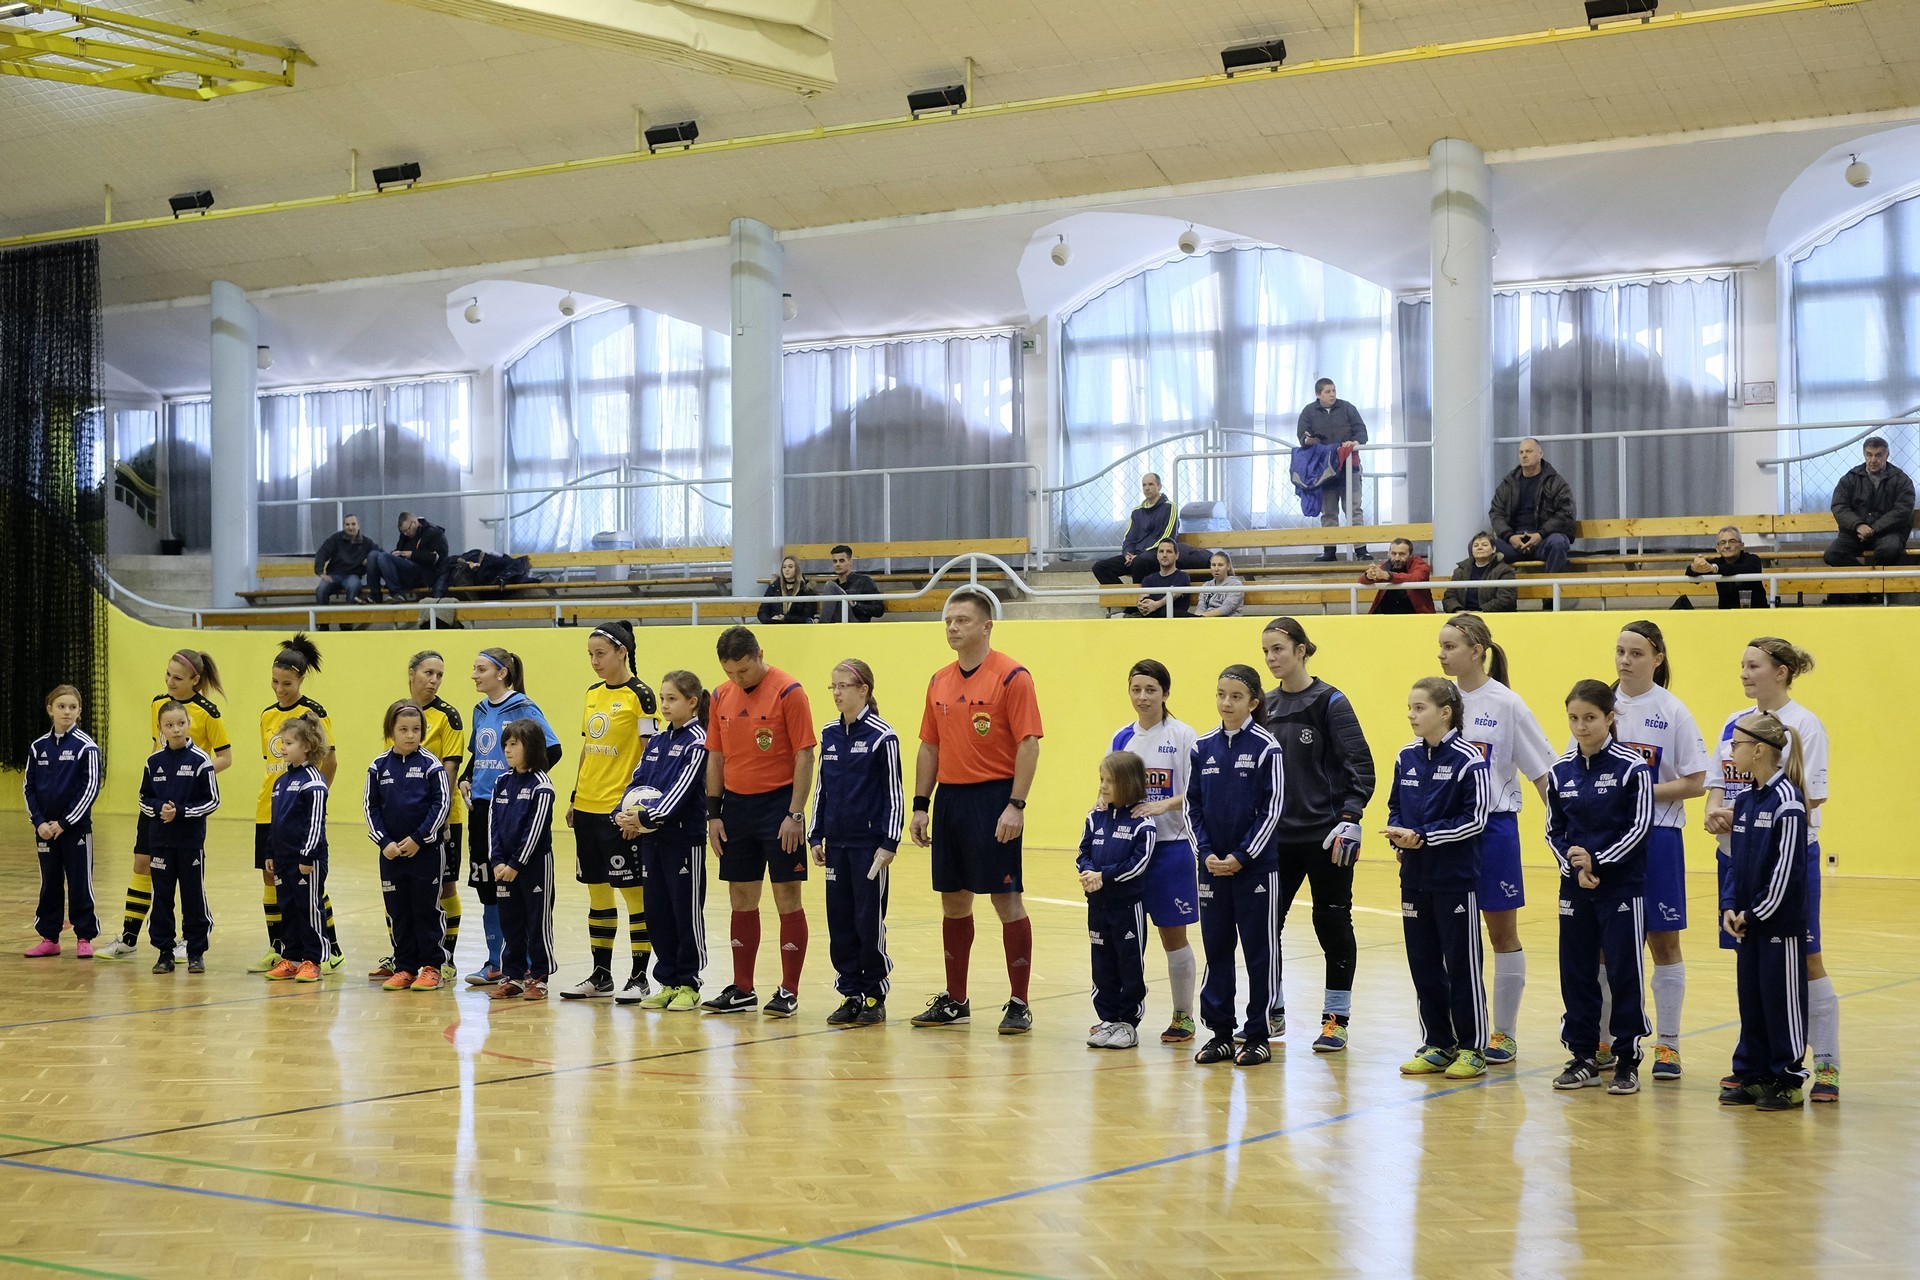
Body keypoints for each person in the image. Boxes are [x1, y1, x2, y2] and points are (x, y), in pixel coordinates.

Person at [1704, 637, 1838, 1101]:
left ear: (1781, 672)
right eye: (1741, 664)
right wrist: (1718, 813)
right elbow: (1718, 784)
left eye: (1753, 665)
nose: (1743, 673)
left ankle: (1825, 1065)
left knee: (1806, 959)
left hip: (1784, 862)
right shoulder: (1734, 722)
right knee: (1753, 965)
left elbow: (1811, 795)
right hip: (1738, 858)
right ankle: (1756, 1066)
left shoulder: (1805, 725)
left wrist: (1752, 814)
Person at [908, 586, 1044, 1035]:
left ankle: (1019, 1002)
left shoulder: (1012, 676)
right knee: (953, 900)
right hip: (951, 800)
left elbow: (1028, 744)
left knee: (1006, 899)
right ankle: (956, 1000)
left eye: (962, 620)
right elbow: (929, 746)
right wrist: (921, 805)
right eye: (948, 620)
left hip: (994, 799)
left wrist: (1015, 805)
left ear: (986, 626)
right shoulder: (938, 680)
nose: (952, 627)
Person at [1435, 614, 1555, 1067]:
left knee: (1501, 933)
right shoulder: (1438, 699)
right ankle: (1456, 1032)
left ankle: (1503, 1032)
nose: (1442, 654)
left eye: (1450, 646)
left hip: (1494, 831)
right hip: (1446, 835)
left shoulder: (1506, 704)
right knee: (1450, 937)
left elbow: (1543, 773)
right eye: (1440, 646)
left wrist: (1566, 830)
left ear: (1477, 651)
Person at [1259, 618, 1376, 1051]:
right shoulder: (1264, 705)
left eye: (1278, 649)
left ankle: (1335, 1019)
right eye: (1266, 651)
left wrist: (1351, 816)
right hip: (1276, 841)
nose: (1271, 658)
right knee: (1265, 925)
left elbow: (1360, 766)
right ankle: (1270, 1012)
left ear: (1301, 650)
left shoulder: (1331, 701)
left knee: (1331, 924)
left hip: (1327, 839)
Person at [1606, 622, 1709, 1082]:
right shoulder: (1601, 704)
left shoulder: (1672, 710)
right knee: (1605, 945)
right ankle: (1605, 1040)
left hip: (1659, 837)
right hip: (1607, 841)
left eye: (1636, 653)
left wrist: (1639, 792)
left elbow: (1696, 781)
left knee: (1663, 941)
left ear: (1657, 658)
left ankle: (1668, 1044)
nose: (1625, 660)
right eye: (1620, 651)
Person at [1546, 680, 1654, 1096]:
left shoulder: (1632, 768)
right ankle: (1583, 1057)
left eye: (1590, 718)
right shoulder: (1560, 771)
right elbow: (1554, 831)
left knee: (1625, 971)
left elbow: (1639, 828)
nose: (1581, 726)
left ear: (1609, 718)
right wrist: (1574, 867)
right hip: (1575, 887)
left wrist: (1599, 861)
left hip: (1621, 887)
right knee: (1576, 971)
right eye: (1574, 718)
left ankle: (1627, 1059)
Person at [702, 626, 817, 1017]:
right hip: (737, 808)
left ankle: (788, 989)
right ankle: (743, 988)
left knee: (787, 896)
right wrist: (714, 813)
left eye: (745, 671)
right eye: (730, 672)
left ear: (760, 655)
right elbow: (715, 756)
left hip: (779, 806)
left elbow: (805, 755)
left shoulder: (789, 691)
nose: (738, 679)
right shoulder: (720, 695)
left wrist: (795, 813)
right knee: (740, 896)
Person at [1384, 677, 1493, 1080]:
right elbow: (1395, 807)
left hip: (1454, 879)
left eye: (1419, 708)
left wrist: (1425, 836)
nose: (1411, 715)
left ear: (1445, 713)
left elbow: (1475, 819)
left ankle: (1472, 1048)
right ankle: (1437, 1043)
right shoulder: (1406, 757)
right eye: (1409, 708)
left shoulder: (1469, 759)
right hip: (1414, 878)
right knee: (1423, 963)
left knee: (1462, 965)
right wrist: (1398, 834)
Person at [100, 650, 231, 960]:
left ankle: (192, 937)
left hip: (185, 808)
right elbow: (156, 748)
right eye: (168, 675)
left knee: (187, 875)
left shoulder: (208, 712)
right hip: (157, 803)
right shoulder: (158, 704)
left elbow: (225, 758)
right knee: (141, 862)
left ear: (195, 680)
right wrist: (158, 786)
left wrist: (192, 777)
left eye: (178, 677)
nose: (170, 682)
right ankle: (129, 936)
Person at [1186, 665, 1283, 1067]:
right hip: (1211, 869)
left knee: (1260, 953)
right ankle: (1221, 1034)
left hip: (1255, 871)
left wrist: (1243, 856)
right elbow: (1192, 806)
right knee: (1217, 949)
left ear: (1253, 702)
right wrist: (1206, 853)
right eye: (1221, 695)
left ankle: (1258, 1034)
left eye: (1236, 697)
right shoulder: (1202, 747)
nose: (1226, 703)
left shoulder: (1267, 748)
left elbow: (1272, 809)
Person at [562, 622, 660, 1003]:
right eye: (590, 655)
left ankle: (639, 977)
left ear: (622, 652)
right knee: (598, 894)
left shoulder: (641, 696)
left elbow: (650, 755)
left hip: (619, 812)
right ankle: (600, 976)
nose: (594, 661)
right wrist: (575, 796)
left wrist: (638, 809)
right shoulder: (592, 694)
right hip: (587, 808)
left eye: (600, 653)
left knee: (634, 895)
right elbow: (588, 748)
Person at [1718, 711, 1811, 1111]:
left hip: (1778, 927)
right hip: (1748, 924)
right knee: (1752, 1002)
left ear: (1758, 750)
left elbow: (1786, 872)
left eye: (1736, 745)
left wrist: (1754, 914)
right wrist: (1729, 906)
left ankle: (1787, 1080)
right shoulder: (1744, 801)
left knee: (1780, 1002)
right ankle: (1753, 1076)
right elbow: (1735, 864)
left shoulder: (1788, 802)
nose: (1730, 752)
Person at [1110, 659, 1201, 1043]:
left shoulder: (1182, 736)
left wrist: (1163, 805)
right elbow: (1109, 786)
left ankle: (1183, 1015)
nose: (1143, 697)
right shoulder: (1121, 738)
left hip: (1170, 849)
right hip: (1130, 854)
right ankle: (1122, 1016)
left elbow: (1197, 790)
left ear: (1165, 693)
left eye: (1150, 690)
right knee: (1126, 938)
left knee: (1172, 936)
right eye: (1136, 689)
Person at [808, 658, 902, 1027]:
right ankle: (850, 993)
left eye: (843, 686)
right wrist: (816, 834)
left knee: (868, 921)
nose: (836, 693)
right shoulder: (829, 733)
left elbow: (894, 793)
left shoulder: (883, 736)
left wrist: (889, 842)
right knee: (840, 921)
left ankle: (875, 994)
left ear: (863, 690)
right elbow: (822, 789)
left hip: (869, 848)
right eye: (832, 686)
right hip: (837, 846)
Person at [460, 648, 562, 987]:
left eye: (481, 669)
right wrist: (467, 777)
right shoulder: (479, 710)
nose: (474, 675)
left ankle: (530, 965)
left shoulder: (523, 707)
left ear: (502, 673)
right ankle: (496, 962)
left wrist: (524, 783)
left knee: (522, 890)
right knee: (489, 885)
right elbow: (478, 754)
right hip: (482, 808)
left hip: (513, 806)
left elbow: (552, 748)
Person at [246, 635, 342, 975]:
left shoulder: (312, 713)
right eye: (274, 682)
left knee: (309, 883)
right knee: (274, 880)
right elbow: (271, 765)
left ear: (300, 679)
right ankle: (280, 949)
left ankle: (328, 948)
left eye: (286, 683)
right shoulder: (267, 715)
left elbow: (330, 761)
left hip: (299, 811)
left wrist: (312, 799)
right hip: (271, 809)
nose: (279, 689)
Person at [367, 652, 465, 983]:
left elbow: (442, 796)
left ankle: (435, 964)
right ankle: (404, 964)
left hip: (427, 842)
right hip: (391, 849)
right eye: (403, 729)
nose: (410, 735)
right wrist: (385, 842)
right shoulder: (379, 764)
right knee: (399, 907)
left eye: (415, 730)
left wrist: (421, 837)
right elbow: (372, 806)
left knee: (429, 905)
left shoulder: (433, 760)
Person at [618, 670, 711, 1013]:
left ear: (692, 702)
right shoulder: (656, 741)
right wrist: (622, 813)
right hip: (651, 841)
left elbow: (680, 792)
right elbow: (636, 782)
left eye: (672, 699)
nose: (665, 705)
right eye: (662, 699)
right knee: (657, 912)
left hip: (683, 841)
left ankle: (689, 983)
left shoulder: (699, 742)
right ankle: (668, 982)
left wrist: (644, 818)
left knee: (684, 912)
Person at [1079, 751, 1157, 1051]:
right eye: (1101, 779)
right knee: (1101, 963)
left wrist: (1105, 876)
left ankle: (1127, 1023)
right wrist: (1088, 874)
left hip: (1127, 908)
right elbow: (1083, 852)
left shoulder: (1143, 823)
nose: (1102, 786)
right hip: (1097, 905)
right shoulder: (1094, 817)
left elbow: (1138, 864)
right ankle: (1108, 1019)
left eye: (1109, 781)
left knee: (1129, 963)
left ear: (1128, 783)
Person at [138, 701, 219, 974]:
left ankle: (196, 952)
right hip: (160, 843)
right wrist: (159, 808)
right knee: (162, 897)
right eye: (169, 725)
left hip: (190, 844)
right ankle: (164, 952)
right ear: (160, 728)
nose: (176, 729)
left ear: (188, 724)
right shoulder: (153, 762)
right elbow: (143, 798)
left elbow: (212, 801)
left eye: (181, 723)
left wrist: (181, 812)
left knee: (193, 896)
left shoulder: (201, 760)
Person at [23, 685, 101, 960]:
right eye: (61, 706)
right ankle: (49, 937)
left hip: (75, 830)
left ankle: (84, 936)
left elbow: (90, 788)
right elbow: (29, 788)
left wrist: (65, 822)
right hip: (45, 831)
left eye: (72, 707)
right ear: (50, 710)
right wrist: (39, 822)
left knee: (80, 883)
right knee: (50, 883)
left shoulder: (86, 747)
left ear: (79, 711)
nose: (67, 711)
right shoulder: (38, 747)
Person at [489, 720, 558, 1002]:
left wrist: (516, 864)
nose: (507, 749)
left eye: (514, 744)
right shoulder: (501, 782)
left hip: (534, 867)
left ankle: (539, 977)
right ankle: (513, 977)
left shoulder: (542, 786)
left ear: (531, 746)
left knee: (537, 922)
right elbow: (493, 825)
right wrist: (497, 861)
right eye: (505, 744)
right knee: (510, 922)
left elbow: (535, 829)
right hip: (503, 868)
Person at [263, 715, 331, 984]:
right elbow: (275, 821)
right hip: (283, 858)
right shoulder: (280, 782)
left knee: (308, 908)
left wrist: (307, 856)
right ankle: (291, 958)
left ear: (307, 746)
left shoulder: (313, 781)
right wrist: (270, 852)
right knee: (288, 907)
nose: (282, 748)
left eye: (289, 743)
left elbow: (315, 823)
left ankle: (313, 960)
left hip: (306, 860)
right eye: (282, 742)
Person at [1296, 378, 1369, 560]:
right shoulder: (1308, 412)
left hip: (1349, 467)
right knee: (1328, 511)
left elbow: (1362, 431)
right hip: (1325, 470)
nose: (1332, 394)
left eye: (1334, 390)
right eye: (1328, 391)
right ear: (1318, 394)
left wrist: (1355, 442)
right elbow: (1302, 437)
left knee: (1354, 509)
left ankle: (1361, 551)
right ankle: (1330, 551)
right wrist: (1308, 440)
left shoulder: (1347, 408)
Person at [1489, 438, 1576, 576]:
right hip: (1513, 543)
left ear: (1540, 454)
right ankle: (1493, 590)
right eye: (1521, 452)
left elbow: (1566, 513)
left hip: (1544, 540)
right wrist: (1510, 537)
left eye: (1529, 451)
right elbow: (1496, 512)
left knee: (1558, 542)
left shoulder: (1555, 482)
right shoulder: (1508, 483)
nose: (1524, 455)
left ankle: (1551, 589)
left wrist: (1541, 534)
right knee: (1479, 546)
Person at [1824, 435, 1914, 568]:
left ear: (1887, 455)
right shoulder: (1850, 478)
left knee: (1889, 550)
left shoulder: (1901, 480)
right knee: (1832, 554)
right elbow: (1839, 506)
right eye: (1869, 455)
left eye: (1878, 455)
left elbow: (1902, 510)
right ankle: (1867, 578)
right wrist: (1858, 525)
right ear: (1864, 454)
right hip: (1855, 533)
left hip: (1889, 533)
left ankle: (1871, 579)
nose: (1873, 460)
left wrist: (1873, 529)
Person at [1091, 473, 1178, 589]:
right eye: (1144, 485)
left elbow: (1167, 538)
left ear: (1159, 486)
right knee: (1099, 567)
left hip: (1156, 554)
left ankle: (1139, 598)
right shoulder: (1137, 511)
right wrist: (1128, 554)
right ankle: (1126, 597)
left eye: (1151, 484)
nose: (1147, 488)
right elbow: (1129, 538)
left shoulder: (1169, 507)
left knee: (1139, 562)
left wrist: (1140, 555)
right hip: (1135, 556)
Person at [367, 511, 451, 604]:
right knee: (373, 555)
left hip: (423, 573)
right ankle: (375, 596)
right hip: (406, 568)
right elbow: (400, 550)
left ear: (414, 522)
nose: (406, 534)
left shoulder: (434, 533)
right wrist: (396, 553)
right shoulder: (405, 536)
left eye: (407, 530)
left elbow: (439, 559)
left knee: (383, 556)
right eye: (403, 531)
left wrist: (412, 554)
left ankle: (397, 593)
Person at [1686, 526, 1768, 609]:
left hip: (1756, 613)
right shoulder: (1717, 563)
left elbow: (1742, 568)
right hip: (1725, 615)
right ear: (1717, 549)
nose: (1727, 546)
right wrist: (1695, 567)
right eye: (1723, 542)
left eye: (1732, 541)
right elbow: (1690, 573)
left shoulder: (1753, 559)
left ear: (1741, 545)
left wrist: (1715, 568)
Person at [313, 513, 379, 608]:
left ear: (359, 526)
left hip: (353, 576)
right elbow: (322, 552)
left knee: (353, 587)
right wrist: (320, 572)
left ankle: (348, 617)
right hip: (333, 575)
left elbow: (380, 553)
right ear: (344, 526)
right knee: (321, 589)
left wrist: (370, 558)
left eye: (353, 524)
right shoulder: (335, 539)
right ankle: (322, 617)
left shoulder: (367, 542)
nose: (350, 527)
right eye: (347, 524)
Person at [1443, 532, 1518, 614]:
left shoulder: (1504, 571)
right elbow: (1449, 597)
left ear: (1493, 549)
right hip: (1461, 616)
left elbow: (1506, 599)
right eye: (1476, 545)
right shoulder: (1460, 571)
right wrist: (1457, 610)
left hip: (1491, 616)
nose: (1479, 547)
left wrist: (1481, 612)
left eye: (1484, 545)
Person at [1361, 538, 1434, 615]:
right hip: (1385, 615)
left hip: (1416, 616)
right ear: (1389, 553)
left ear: (1411, 555)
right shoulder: (1387, 565)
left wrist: (1389, 576)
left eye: (1402, 554)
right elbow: (1362, 580)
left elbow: (1416, 578)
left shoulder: (1421, 566)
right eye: (1393, 554)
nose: (1397, 558)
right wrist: (1369, 576)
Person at [822, 545, 885, 623]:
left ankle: (821, 626)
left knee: (829, 585)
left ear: (850, 562)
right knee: (830, 586)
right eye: (835, 561)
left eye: (842, 561)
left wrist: (855, 605)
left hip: (856, 624)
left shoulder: (864, 581)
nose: (837, 564)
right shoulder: (834, 586)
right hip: (837, 623)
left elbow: (879, 609)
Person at [1134, 538, 1191, 618]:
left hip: (1175, 620)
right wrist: (1141, 604)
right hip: (1153, 619)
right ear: (1157, 555)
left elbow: (1174, 595)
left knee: (1163, 612)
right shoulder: (1148, 579)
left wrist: (1156, 605)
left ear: (1177, 555)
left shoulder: (1183, 577)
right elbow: (1143, 596)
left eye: (1169, 551)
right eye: (1161, 551)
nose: (1164, 555)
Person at [758, 555, 818, 625]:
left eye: (790, 567)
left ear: (797, 569)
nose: (786, 569)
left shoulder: (806, 589)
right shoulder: (774, 587)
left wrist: (786, 618)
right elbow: (762, 612)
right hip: (774, 626)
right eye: (784, 567)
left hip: (797, 628)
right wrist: (770, 620)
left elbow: (807, 617)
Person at [1192, 553, 1244, 618]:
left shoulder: (1236, 585)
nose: (1216, 569)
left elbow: (1227, 608)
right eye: (1213, 565)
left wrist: (1203, 616)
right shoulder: (1206, 585)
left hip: (1228, 620)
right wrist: (1196, 618)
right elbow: (1201, 607)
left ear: (1228, 567)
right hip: (1207, 620)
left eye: (1220, 565)